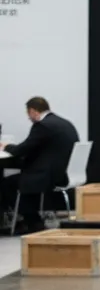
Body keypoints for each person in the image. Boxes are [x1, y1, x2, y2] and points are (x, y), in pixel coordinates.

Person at [0, 97, 79, 233]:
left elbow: (23, 149)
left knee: (7, 185)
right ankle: (29, 220)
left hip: (48, 175)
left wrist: (6, 146)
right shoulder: (64, 123)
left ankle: (32, 221)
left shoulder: (43, 125)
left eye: (28, 114)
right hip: (63, 173)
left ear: (33, 111)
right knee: (22, 179)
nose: (29, 118)